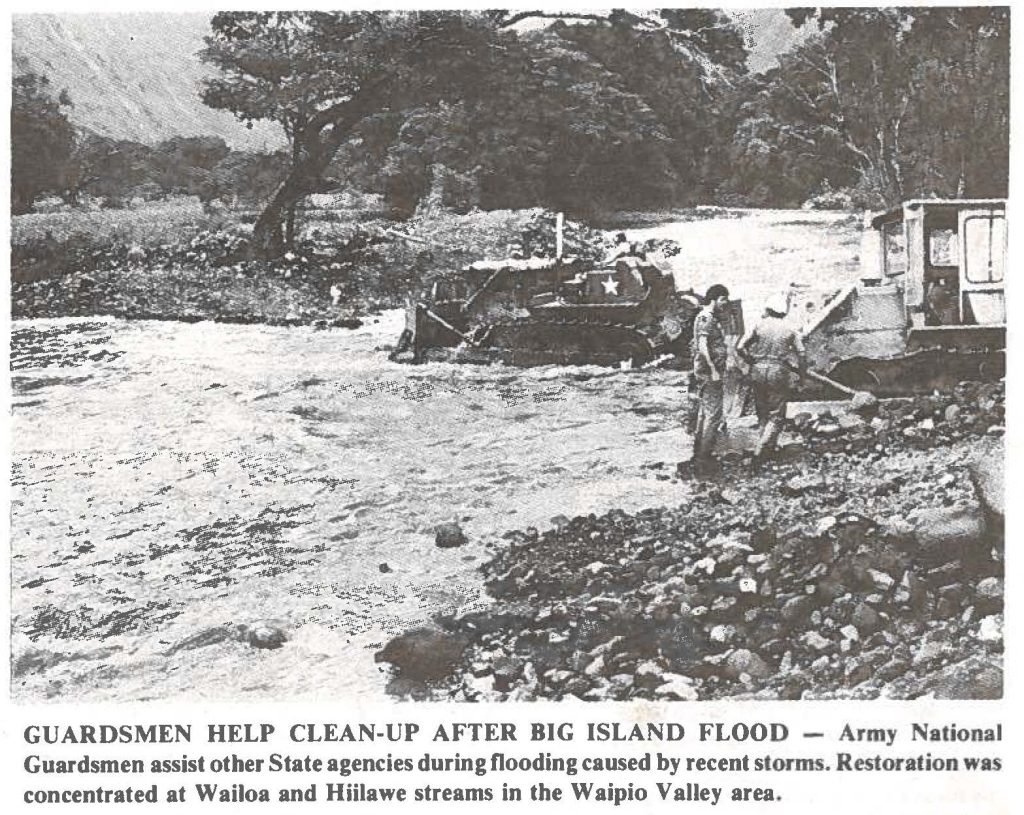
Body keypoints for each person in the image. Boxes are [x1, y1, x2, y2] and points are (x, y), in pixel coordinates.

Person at [736, 292, 806, 463]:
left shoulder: (758, 325)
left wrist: (750, 360)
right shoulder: (790, 329)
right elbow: (802, 354)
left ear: (769, 309)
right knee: (776, 414)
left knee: (762, 412)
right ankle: (762, 448)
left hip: (757, 370)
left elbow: (740, 347)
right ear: (783, 311)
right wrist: (801, 373)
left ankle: (769, 447)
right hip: (778, 371)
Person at [688, 283, 731, 473]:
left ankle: (699, 452)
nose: (725, 303)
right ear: (714, 299)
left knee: (705, 413)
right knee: (713, 414)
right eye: (723, 299)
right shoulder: (706, 317)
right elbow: (703, 345)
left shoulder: (709, 316)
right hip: (709, 371)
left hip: (706, 370)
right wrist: (713, 368)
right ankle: (704, 457)